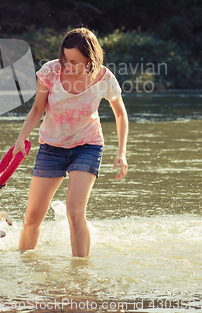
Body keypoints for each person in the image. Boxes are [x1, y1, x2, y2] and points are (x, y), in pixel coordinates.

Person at [13, 27, 128, 257]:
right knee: (32, 217)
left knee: (74, 211)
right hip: (51, 147)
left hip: (87, 146)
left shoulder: (104, 78)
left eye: (75, 61)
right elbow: (37, 109)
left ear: (90, 57)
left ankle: (80, 274)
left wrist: (121, 152)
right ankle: (24, 268)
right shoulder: (50, 72)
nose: (68, 65)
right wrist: (21, 138)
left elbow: (120, 114)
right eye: (65, 59)